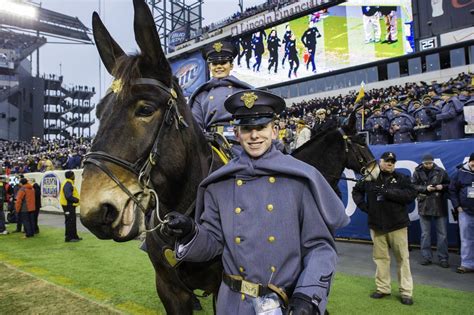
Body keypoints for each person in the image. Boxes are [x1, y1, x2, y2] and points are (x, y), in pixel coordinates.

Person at [163, 89, 349, 314]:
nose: (254, 136)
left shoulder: (299, 179)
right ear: (237, 134)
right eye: (246, 129)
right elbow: (213, 242)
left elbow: (320, 247)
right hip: (232, 306)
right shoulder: (218, 183)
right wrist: (190, 232)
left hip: (284, 304)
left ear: (274, 131)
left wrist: (307, 296)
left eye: (261, 127)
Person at [352, 151, 417, 305]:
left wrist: (387, 192)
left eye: (393, 161)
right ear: (380, 162)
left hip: (397, 225)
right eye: (387, 161)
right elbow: (356, 191)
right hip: (377, 224)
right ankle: (383, 288)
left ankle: (406, 292)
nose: (390, 163)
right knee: (381, 259)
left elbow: (410, 195)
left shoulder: (402, 178)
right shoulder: (370, 177)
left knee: (402, 259)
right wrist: (364, 206)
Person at [188, 40, 252, 132]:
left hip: (240, 141)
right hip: (209, 142)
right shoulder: (201, 95)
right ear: (209, 67)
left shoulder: (244, 91)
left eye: (223, 63)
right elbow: (195, 128)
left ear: (231, 66)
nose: (219, 66)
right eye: (214, 64)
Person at [411, 154, 450, 267]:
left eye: (430, 163)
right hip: (424, 204)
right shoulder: (417, 172)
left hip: (439, 204)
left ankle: (443, 258)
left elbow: (449, 184)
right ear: (422, 163)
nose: (428, 165)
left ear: (433, 162)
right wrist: (425, 188)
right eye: (426, 163)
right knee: (425, 234)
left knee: (442, 234)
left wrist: (442, 187)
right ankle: (426, 257)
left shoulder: (441, 171)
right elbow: (412, 186)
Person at [449, 153, 474, 273]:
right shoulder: (460, 173)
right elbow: (452, 190)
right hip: (465, 211)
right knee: (466, 239)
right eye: (473, 162)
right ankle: (467, 264)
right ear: (470, 161)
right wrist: (457, 206)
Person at [59, 171, 82, 242]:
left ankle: (74, 236)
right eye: (73, 175)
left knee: (72, 221)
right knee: (70, 221)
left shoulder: (68, 183)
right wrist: (76, 200)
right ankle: (69, 238)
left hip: (69, 205)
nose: (74, 176)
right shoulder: (68, 184)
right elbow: (68, 196)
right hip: (68, 205)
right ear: (71, 176)